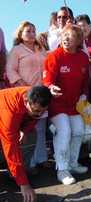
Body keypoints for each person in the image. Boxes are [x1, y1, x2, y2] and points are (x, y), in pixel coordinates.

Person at [43, 24, 90, 185]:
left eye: (71, 36)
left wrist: (84, 95)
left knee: (78, 131)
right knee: (65, 131)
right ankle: (62, 169)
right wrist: (50, 87)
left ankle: (72, 163)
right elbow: (47, 79)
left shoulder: (83, 57)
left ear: (79, 41)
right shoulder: (54, 56)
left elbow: (85, 81)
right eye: (64, 35)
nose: (66, 39)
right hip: (57, 104)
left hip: (75, 105)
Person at [6, 21, 48, 171]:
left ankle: (41, 159)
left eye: (33, 30)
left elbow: (48, 64)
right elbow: (10, 70)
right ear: (20, 33)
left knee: (41, 128)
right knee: (26, 130)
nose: (31, 33)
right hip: (24, 94)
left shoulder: (40, 48)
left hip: (41, 93)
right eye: (28, 31)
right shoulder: (16, 50)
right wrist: (21, 85)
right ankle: (28, 163)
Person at [0, 85, 52, 202]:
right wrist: (24, 185)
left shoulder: (37, 96)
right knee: (11, 149)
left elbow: (34, 117)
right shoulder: (9, 111)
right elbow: (11, 149)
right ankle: (17, 175)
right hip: (4, 120)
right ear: (25, 101)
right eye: (36, 111)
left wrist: (24, 129)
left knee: (30, 135)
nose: (39, 114)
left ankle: (14, 174)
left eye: (42, 111)